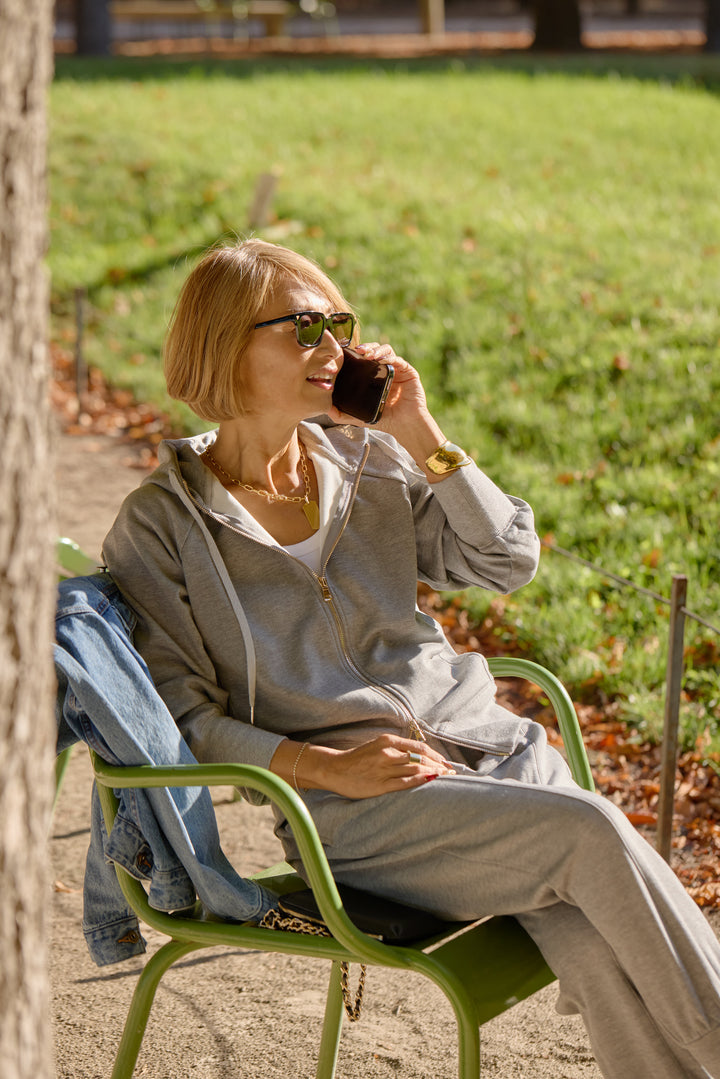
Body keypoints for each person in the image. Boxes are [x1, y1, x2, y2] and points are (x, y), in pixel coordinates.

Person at [103, 238, 720, 1078]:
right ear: (224, 341)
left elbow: (507, 561)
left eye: (340, 326)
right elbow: (181, 721)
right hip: (357, 818)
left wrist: (419, 431)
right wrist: (323, 767)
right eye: (306, 328)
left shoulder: (371, 460)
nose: (335, 349)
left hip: (496, 758)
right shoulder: (162, 526)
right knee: (592, 833)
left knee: (594, 938)